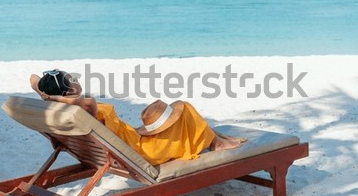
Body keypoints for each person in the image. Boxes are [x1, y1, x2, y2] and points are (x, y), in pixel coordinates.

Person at [30, 69, 246, 165]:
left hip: (130, 141)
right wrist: (57, 97)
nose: (76, 78)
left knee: (177, 113)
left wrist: (46, 95)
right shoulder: (83, 107)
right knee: (184, 107)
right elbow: (89, 102)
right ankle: (216, 143)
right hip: (142, 151)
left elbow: (33, 79)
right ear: (68, 93)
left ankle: (215, 137)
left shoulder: (57, 106)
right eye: (72, 79)